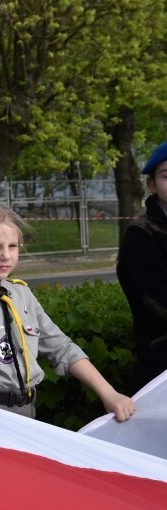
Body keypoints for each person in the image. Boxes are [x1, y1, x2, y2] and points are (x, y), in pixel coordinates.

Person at [0, 200, 135, 420]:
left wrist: (110, 394)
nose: (6, 255)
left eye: (13, 246)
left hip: (28, 414)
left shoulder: (21, 294)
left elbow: (62, 348)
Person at [117, 141, 167, 392]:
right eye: (166, 176)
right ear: (151, 184)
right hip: (161, 359)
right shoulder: (141, 234)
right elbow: (157, 298)